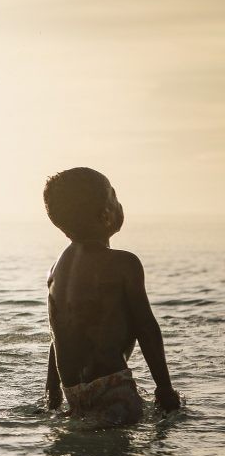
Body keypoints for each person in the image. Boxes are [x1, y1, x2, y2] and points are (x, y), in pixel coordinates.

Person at [43, 167, 181, 425]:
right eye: (114, 197)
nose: (120, 203)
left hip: (72, 391)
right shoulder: (124, 264)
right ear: (107, 215)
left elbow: (58, 332)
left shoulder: (56, 270)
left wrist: (52, 392)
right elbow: (146, 327)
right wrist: (164, 388)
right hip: (112, 385)